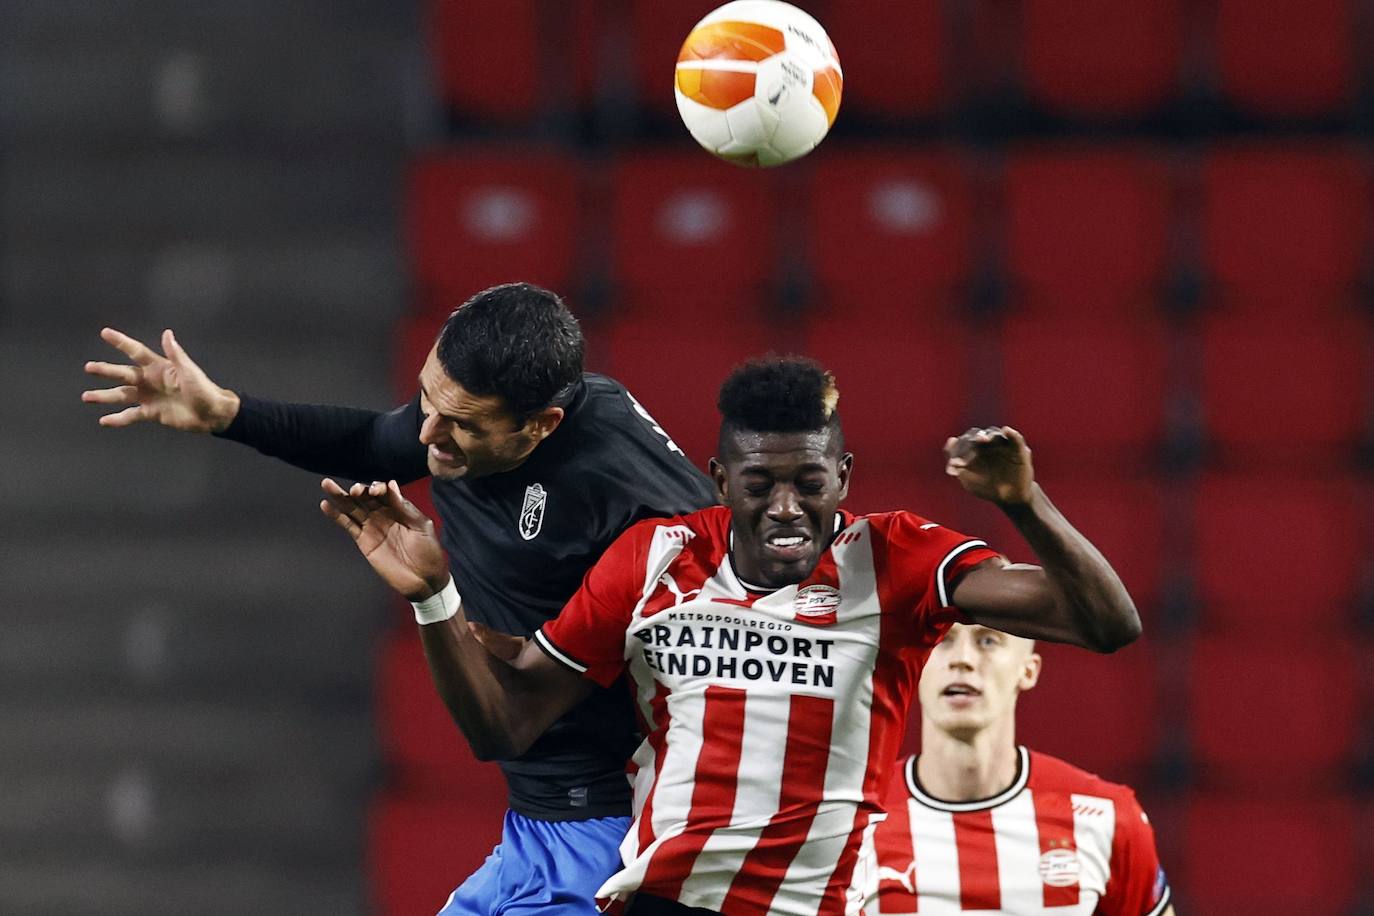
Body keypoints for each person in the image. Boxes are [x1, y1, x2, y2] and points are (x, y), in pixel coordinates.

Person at [321, 355, 1143, 915]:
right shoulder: (657, 559)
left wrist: (1021, 502)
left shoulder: (892, 559)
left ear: (843, 480)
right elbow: (505, 722)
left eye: (809, 483)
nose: (786, 508)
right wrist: (435, 595)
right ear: (720, 483)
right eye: (761, 484)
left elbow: (1106, 624)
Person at [82, 282, 719, 915]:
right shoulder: (465, 423)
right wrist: (227, 412)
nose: (428, 434)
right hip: (538, 827)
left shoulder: (644, 509)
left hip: (610, 835)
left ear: (540, 426)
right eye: (426, 400)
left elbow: (735, 654)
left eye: (461, 424)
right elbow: (374, 443)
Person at [867, 623, 1174, 915]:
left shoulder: (1105, 816)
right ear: (915, 662)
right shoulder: (853, 820)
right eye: (942, 639)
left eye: (988, 641)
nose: (962, 659)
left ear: (1028, 670)